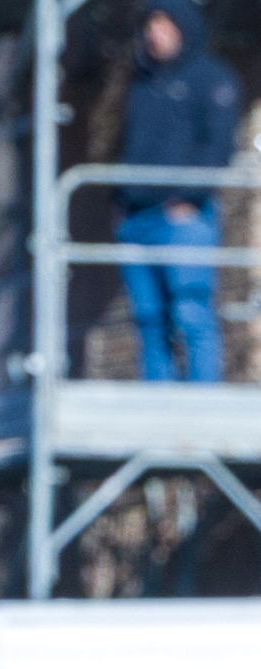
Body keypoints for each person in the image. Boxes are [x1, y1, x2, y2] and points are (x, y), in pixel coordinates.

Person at [119, 2, 241, 383]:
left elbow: (218, 148)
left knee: (191, 316)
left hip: (184, 220)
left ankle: (203, 415)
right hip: (135, 221)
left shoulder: (212, 78)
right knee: (150, 322)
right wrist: (122, 205)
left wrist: (189, 198)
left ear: (183, 28)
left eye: (165, 25)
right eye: (150, 26)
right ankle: (158, 418)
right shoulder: (142, 83)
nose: (155, 34)